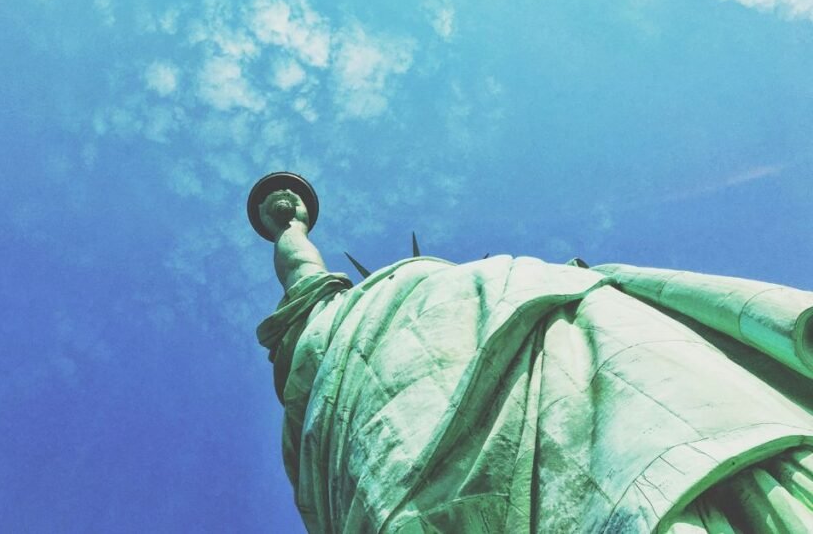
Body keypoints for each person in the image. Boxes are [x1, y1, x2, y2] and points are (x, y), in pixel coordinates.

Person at [255, 188, 813, 533]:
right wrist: (291, 227)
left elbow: (304, 279)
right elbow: (304, 278)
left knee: (683, 444)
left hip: (593, 356)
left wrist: (291, 227)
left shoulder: (526, 284)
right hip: (577, 359)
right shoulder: (359, 318)